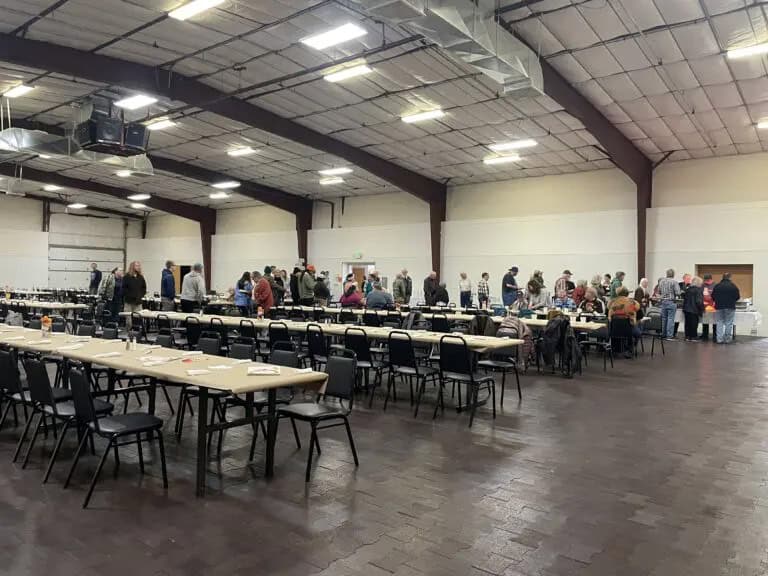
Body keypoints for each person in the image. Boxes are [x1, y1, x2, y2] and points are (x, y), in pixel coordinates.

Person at [607, 286, 642, 355]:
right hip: (629, 329)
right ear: (627, 293)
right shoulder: (633, 302)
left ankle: (615, 349)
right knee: (638, 331)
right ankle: (630, 349)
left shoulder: (611, 302)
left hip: (614, 329)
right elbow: (640, 315)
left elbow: (607, 313)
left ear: (617, 293)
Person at [712, 272, 740, 344]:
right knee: (729, 323)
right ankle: (727, 339)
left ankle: (719, 339)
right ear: (730, 278)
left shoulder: (717, 286)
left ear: (723, 277)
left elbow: (713, 296)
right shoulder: (733, 286)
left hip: (719, 306)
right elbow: (737, 297)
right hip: (730, 306)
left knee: (719, 322)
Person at [658, 268, 681, 340]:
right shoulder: (674, 282)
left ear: (666, 274)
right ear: (673, 274)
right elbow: (678, 293)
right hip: (671, 301)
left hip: (663, 301)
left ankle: (663, 334)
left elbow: (659, 291)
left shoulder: (661, 281)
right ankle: (669, 335)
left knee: (664, 319)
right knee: (670, 319)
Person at [123, 261, 146, 329]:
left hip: (138, 302)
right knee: (129, 321)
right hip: (129, 302)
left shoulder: (141, 277)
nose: (138, 267)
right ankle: (129, 335)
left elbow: (144, 288)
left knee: (138, 319)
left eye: (139, 265)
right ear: (132, 267)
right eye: (137, 265)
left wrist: (141, 295)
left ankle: (137, 335)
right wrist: (129, 295)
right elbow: (124, 288)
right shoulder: (127, 277)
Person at [683, 276, 704, 342]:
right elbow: (699, 301)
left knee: (687, 323)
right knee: (694, 324)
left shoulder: (688, 289)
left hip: (686, 309)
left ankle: (687, 336)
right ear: (698, 283)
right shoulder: (698, 290)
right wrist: (702, 308)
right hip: (694, 309)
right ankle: (693, 337)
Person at [701, 274, 716, 341]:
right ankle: (704, 335)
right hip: (705, 306)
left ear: (710, 280)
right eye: (705, 281)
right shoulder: (702, 285)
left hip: (713, 306)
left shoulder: (715, 285)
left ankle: (715, 335)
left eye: (707, 281)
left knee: (714, 321)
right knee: (705, 321)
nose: (706, 282)